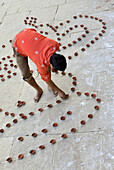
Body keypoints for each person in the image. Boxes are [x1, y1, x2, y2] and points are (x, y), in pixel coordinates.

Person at [12, 28, 69, 103]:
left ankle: (50, 87)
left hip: (28, 33)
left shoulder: (54, 45)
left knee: (46, 63)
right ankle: (39, 90)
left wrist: (53, 66)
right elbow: (46, 79)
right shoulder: (41, 64)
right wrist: (60, 91)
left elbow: (50, 58)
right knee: (26, 75)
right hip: (18, 43)